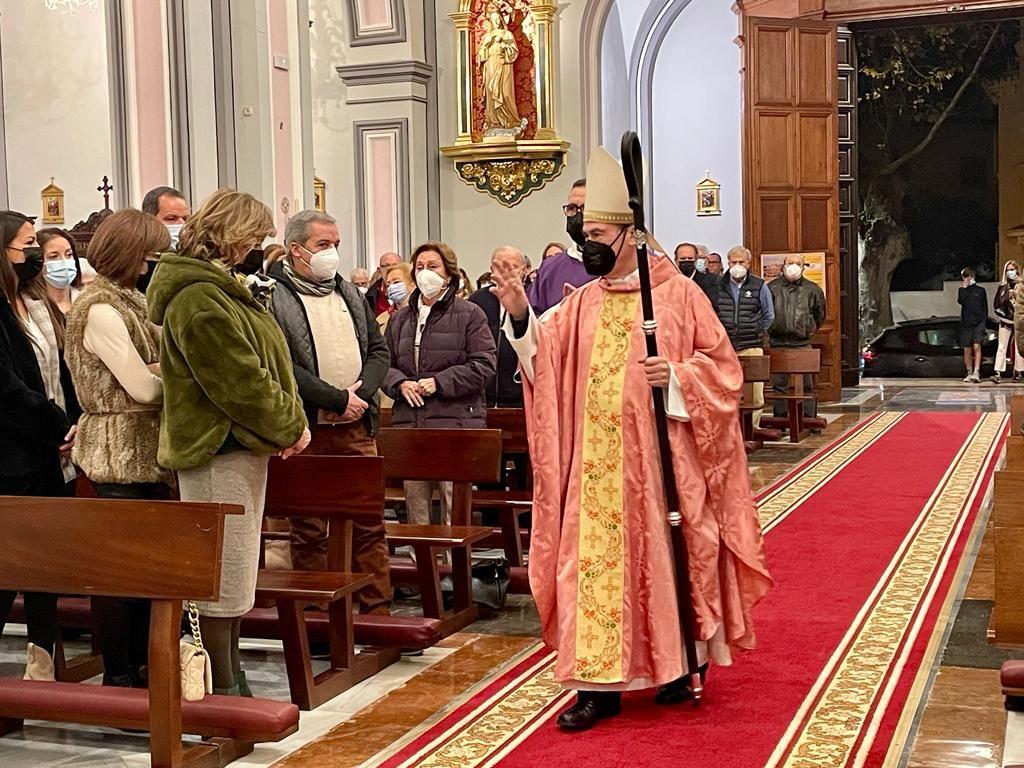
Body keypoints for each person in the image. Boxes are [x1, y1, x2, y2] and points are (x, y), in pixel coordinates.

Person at [490, 147, 771, 730]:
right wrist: (519, 313)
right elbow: (540, 359)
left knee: (665, 562)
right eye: (581, 231)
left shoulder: (677, 297)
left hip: (659, 471)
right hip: (592, 477)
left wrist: (678, 377)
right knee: (591, 570)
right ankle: (598, 686)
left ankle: (674, 665)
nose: (583, 241)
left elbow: (724, 372)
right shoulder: (581, 303)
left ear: (627, 235)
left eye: (594, 232)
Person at [147, 189, 309, 696]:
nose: (257, 247)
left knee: (235, 574)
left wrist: (284, 422)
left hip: (239, 447)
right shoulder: (198, 297)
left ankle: (228, 676)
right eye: (254, 236)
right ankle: (222, 687)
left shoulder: (219, 288)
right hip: (216, 448)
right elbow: (238, 381)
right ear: (230, 234)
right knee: (221, 575)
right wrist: (290, 424)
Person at [64, 209, 173, 688]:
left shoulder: (132, 299)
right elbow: (142, 390)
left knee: (152, 573)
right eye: (150, 253)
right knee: (121, 577)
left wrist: (155, 367)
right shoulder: (100, 308)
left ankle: (148, 666)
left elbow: (153, 369)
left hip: (149, 452)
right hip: (117, 454)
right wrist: (170, 374)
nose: (155, 262)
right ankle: (121, 675)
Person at [269, 210, 392, 615]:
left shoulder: (350, 295)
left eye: (336, 244)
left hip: (357, 427)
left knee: (369, 523)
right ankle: (318, 616)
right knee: (309, 529)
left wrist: (360, 395)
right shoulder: (273, 297)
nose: (332, 253)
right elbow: (283, 364)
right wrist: (335, 399)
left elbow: (378, 349)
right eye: (324, 245)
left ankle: (375, 608)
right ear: (296, 249)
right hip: (308, 429)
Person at [0, 210, 80, 681]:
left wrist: (71, 426)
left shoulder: (33, 303)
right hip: (13, 457)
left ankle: (42, 659)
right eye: (25, 246)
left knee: (47, 566)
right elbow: (7, 390)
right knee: (9, 570)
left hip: (53, 455)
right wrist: (55, 427)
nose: (32, 255)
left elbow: (58, 372)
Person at [382, 242, 496, 525]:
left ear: (449, 274)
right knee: (416, 509)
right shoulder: (401, 320)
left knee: (451, 509)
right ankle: (424, 566)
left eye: (432, 267)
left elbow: (483, 365)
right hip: (411, 423)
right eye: (419, 267)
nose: (424, 273)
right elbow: (383, 365)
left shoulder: (469, 314)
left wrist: (439, 382)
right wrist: (400, 384)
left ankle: (452, 564)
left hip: (454, 424)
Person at [715, 246, 774, 430]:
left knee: (755, 392)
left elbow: (769, 314)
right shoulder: (717, 285)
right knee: (726, 390)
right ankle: (728, 428)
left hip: (752, 345)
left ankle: (752, 428)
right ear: (727, 263)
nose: (737, 266)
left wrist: (758, 331)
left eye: (741, 262)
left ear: (749, 263)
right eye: (734, 262)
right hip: (725, 347)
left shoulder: (759, 285)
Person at [767, 254, 826, 420]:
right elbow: (766, 313)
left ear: (803, 267)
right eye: (790, 263)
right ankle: (781, 417)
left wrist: (808, 330)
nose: (793, 266)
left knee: (807, 384)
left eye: (797, 263)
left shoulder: (813, 289)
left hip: (802, 342)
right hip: (778, 342)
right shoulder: (772, 287)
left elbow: (820, 314)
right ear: (783, 266)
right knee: (779, 384)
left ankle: (808, 417)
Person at [470, 245, 527, 408]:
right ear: (491, 270)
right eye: (500, 267)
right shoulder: (477, 301)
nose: (506, 272)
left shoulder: (533, 297)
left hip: (521, 398)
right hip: (482, 398)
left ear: (523, 270)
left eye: (513, 267)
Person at [527, 180, 595, 314]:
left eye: (585, 208)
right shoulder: (550, 268)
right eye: (572, 209)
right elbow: (533, 320)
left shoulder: (629, 263)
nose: (577, 215)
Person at [38, 228, 81, 316]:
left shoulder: (85, 300)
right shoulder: (31, 306)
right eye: (54, 256)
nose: (64, 262)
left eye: (69, 255)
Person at [992, 260, 1022, 384]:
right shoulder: (1003, 286)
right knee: (1002, 346)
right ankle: (998, 372)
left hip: (1019, 320)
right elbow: (997, 304)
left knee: (1018, 347)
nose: (1010, 272)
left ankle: (1019, 371)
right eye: (1008, 270)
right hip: (1006, 319)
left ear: (1017, 270)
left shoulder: (1021, 285)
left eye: (1012, 269)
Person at [958, 267, 987, 384]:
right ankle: (969, 372)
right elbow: (961, 301)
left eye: (967, 276)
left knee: (977, 346)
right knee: (967, 349)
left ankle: (976, 372)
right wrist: (964, 288)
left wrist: (983, 323)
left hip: (978, 323)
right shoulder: (962, 290)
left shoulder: (980, 290)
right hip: (966, 324)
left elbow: (984, 308)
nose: (966, 278)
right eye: (964, 276)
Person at [141, 186, 190, 250]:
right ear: (150, 221)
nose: (182, 224)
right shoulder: (135, 256)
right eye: (171, 219)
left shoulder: (199, 254)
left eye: (185, 219)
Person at [366, 252, 402, 316]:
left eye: (395, 265)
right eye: (386, 266)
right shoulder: (369, 297)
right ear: (379, 270)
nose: (391, 269)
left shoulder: (411, 291)